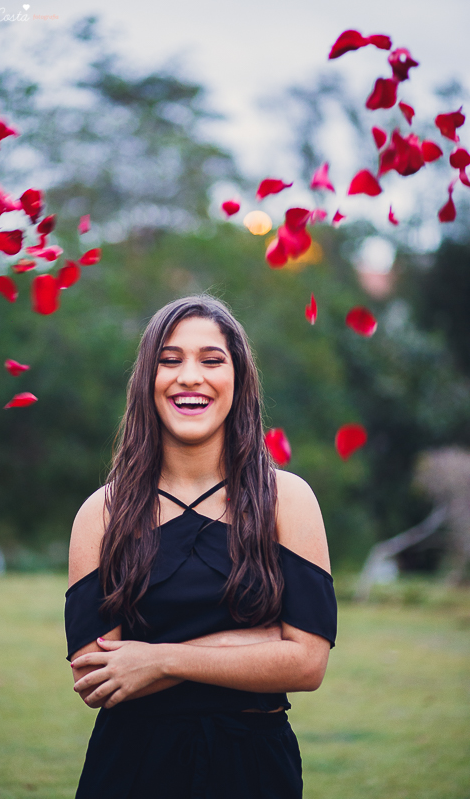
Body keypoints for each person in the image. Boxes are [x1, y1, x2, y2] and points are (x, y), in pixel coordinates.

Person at [65, 294, 337, 799]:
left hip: (254, 769)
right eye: (170, 361)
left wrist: (160, 660)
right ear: (148, 381)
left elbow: (307, 664)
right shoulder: (100, 514)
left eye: (212, 360)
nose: (190, 376)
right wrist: (255, 643)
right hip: (131, 768)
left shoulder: (287, 500)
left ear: (238, 380)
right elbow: (97, 679)